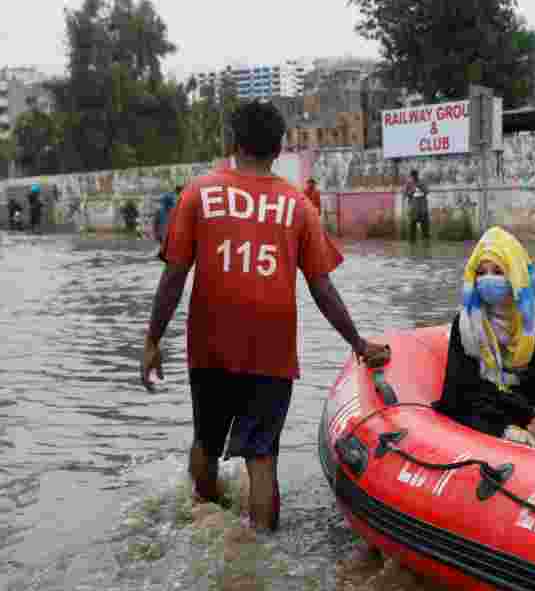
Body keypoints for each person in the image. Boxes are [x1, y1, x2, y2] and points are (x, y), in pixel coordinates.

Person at [139, 100, 390, 532]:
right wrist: (358, 344)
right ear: (279, 148)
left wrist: (152, 340)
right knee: (261, 456)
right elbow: (322, 289)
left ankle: (204, 526)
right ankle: (261, 553)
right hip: (271, 349)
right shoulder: (298, 206)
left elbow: (174, 276)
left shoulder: (198, 193)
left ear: (233, 143)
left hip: (211, 344)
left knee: (206, 439)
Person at [433, 226, 535, 450]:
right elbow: (457, 392)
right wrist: (506, 420)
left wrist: (532, 414)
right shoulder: (466, 323)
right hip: (483, 415)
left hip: (532, 413)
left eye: (498, 272)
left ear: (514, 274)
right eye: (481, 272)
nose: (488, 280)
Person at [404, 169, 430, 240]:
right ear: (411, 176)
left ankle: (426, 242)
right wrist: (411, 192)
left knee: (425, 228)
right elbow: (405, 194)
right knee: (412, 227)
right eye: (413, 176)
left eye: (415, 176)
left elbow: (427, 191)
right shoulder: (409, 183)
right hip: (413, 209)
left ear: (417, 175)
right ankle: (412, 242)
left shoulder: (422, 182)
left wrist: (421, 187)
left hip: (422, 208)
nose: (414, 177)